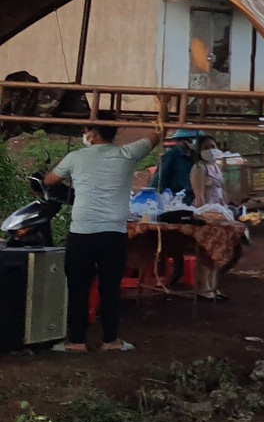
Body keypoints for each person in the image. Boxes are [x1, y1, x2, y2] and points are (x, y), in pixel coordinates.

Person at [48, 125, 159, 352]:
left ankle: (77, 341)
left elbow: (50, 180)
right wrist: (163, 108)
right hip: (113, 233)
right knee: (110, 288)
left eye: (87, 130)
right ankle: (111, 341)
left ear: (93, 133)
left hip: (82, 232)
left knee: (78, 287)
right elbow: (157, 133)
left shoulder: (75, 157)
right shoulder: (128, 153)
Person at [189, 136, 236, 302]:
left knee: (216, 251)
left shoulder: (215, 167)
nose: (210, 149)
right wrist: (203, 214)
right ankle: (204, 288)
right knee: (205, 251)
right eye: (206, 147)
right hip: (207, 213)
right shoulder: (199, 168)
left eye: (213, 146)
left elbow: (222, 190)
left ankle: (213, 287)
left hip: (219, 212)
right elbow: (199, 195)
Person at [151, 129, 199, 200]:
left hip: (194, 198)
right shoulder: (171, 156)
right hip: (177, 199)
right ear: (181, 141)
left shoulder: (196, 157)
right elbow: (160, 178)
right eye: (190, 139)